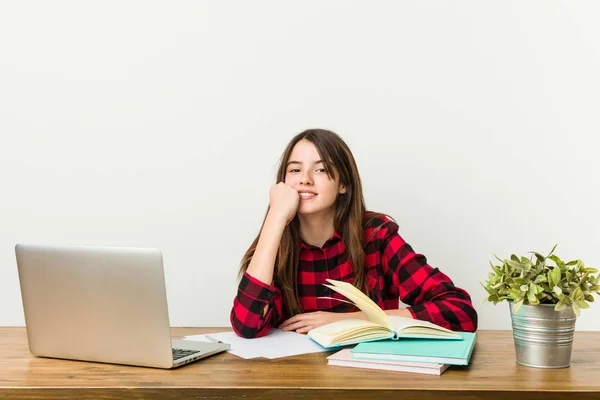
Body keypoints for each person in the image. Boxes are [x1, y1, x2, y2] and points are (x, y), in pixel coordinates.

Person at [230, 129, 477, 338]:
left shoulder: (375, 236)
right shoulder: (273, 243)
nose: (304, 180)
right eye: (294, 170)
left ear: (343, 184)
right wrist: (275, 217)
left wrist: (354, 320)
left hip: (368, 380)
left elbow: (460, 312)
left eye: (321, 169)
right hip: (295, 380)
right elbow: (246, 326)